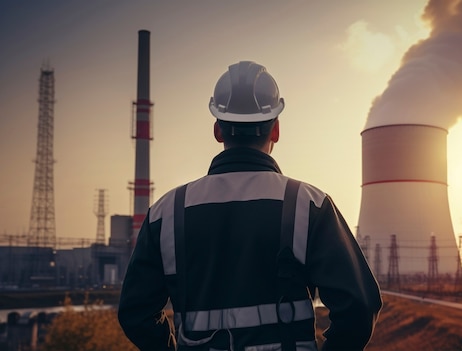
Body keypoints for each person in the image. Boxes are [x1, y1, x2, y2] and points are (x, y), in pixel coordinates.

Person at [118, 60, 382, 351]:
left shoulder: (166, 213)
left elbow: (135, 312)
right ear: (276, 130)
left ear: (218, 131)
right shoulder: (309, 205)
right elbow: (359, 306)